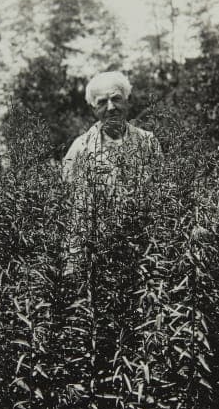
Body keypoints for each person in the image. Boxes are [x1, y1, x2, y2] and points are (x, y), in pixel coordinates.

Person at [62, 71, 161, 273]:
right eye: (102, 102)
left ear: (127, 101)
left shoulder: (148, 142)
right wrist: (74, 259)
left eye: (116, 99)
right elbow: (69, 204)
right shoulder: (80, 147)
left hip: (143, 248)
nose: (111, 108)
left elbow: (163, 192)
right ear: (93, 108)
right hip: (97, 251)